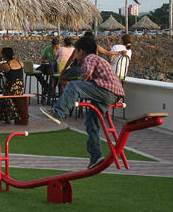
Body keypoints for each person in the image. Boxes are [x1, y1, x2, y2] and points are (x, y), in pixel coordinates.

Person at [41, 36, 125, 169]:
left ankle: (58, 112)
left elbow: (85, 77)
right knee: (92, 123)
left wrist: (73, 86)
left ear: (82, 52)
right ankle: (96, 156)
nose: (75, 56)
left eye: (76, 53)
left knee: (73, 86)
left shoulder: (89, 58)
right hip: (113, 94)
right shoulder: (98, 59)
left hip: (106, 91)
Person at [0, 47, 24, 123]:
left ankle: (16, 116)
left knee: (3, 97)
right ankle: (6, 118)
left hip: (11, 88)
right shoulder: (19, 62)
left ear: (4, 55)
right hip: (20, 88)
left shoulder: (5, 65)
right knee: (1, 97)